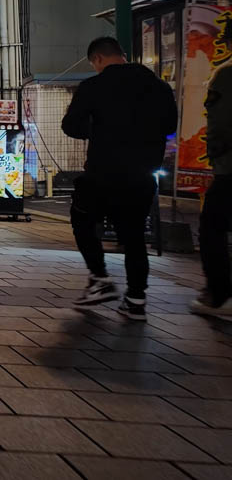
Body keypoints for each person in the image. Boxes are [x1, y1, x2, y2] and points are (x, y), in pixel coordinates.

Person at [63, 36, 177, 320]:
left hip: (104, 172)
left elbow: (71, 125)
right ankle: (136, 300)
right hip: (141, 175)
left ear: (98, 59)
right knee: (134, 236)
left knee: (82, 218)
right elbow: (170, 127)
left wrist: (100, 131)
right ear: (122, 55)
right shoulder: (159, 87)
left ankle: (100, 278)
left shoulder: (94, 86)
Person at [193, 62, 232, 316]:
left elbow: (221, 120)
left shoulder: (227, 74)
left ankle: (219, 296)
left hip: (231, 170)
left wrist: (215, 151)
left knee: (211, 228)